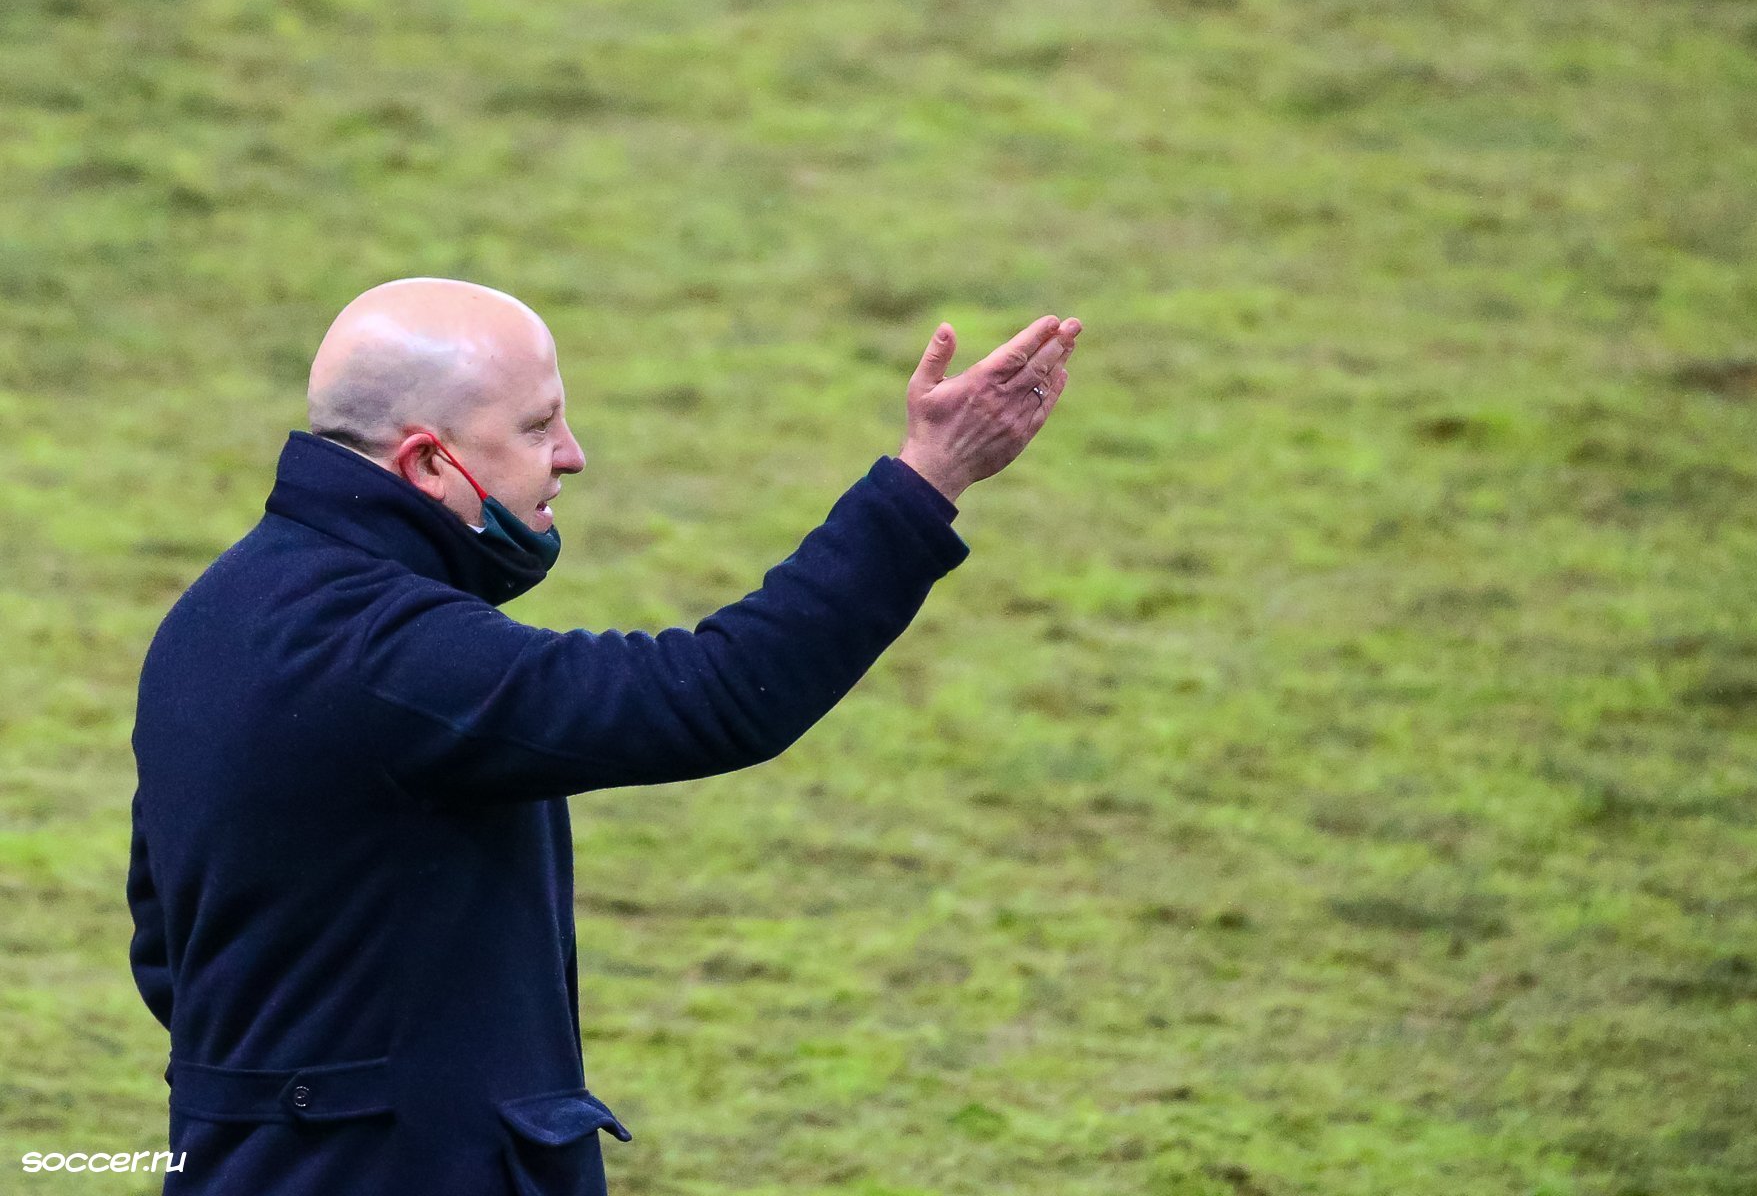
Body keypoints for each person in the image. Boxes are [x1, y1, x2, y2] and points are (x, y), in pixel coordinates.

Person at [126, 277, 1081, 1195]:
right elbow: (716, 693)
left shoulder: (217, 612)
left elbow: (169, 943)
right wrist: (927, 480)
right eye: (537, 425)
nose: (572, 454)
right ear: (428, 463)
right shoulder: (384, 651)